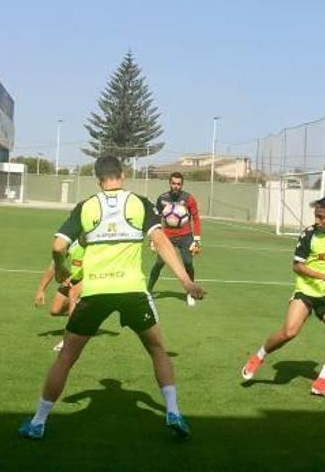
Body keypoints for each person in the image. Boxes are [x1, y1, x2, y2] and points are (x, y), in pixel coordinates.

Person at [18, 155, 205, 440]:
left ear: (98, 179)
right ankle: (173, 411)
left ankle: (38, 422)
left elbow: (58, 246)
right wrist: (186, 282)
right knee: (157, 350)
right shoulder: (139, 202)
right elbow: (162, 242)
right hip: (132, 291)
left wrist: (61, 268)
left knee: (66, 357)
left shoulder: (87, 206)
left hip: (95, 292)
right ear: (123, 174)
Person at [241, 197, 325, 402]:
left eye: (321, 217)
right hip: (305, 291)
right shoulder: (309, 234)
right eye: (316, 216)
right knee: (289, 332)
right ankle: (258, 357)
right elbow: (297, 266)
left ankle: (321, 383)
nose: (317, 221)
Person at [147, 172, 202, 306]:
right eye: (173, 183)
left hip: (185, 235)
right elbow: (155, 219)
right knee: (159, 263)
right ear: (170, 183)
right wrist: (153, 239)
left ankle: (190, 293)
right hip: (167, 236)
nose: (176, 186)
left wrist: (197, 239)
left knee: (188, 263)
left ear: (182, 185)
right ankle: (148, 291)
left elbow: (195, 218)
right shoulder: (162, 199)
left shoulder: (188, 198)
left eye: (178, 184)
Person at [34, 239, 85, 351]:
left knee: (73, 294)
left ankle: (68, 340)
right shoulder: (71, 244)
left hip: (90, 279)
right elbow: (53, 266)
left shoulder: (95, 246)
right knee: (55, 311)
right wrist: (41, 290)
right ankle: (85, 315)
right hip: (73, 279)